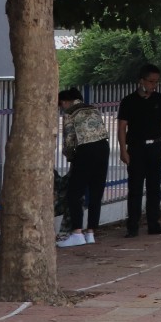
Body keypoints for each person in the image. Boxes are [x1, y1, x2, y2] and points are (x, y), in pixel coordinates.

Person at [116, 63, 161, 237]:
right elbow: (122, 127)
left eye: (156, 82)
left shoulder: (160, 99)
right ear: (141, 81)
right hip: (136, 148)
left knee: (154, 187)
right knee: (135, 188)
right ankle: (132, 226)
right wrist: (123, 150)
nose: (153, 85)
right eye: (150, 81)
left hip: (155, 146)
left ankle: (154, 223)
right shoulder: (129, 101)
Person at [57, 88, 110, 246]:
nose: (61, 108)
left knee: (74, 193)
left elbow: (69, 141)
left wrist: (70, 156)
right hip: (103, 148)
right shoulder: (93, 108)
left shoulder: (70, 113)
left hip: (85, 151)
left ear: (66, 101)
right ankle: (91, 233)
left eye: (60, 105)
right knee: (96, 192)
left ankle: (77, 233)